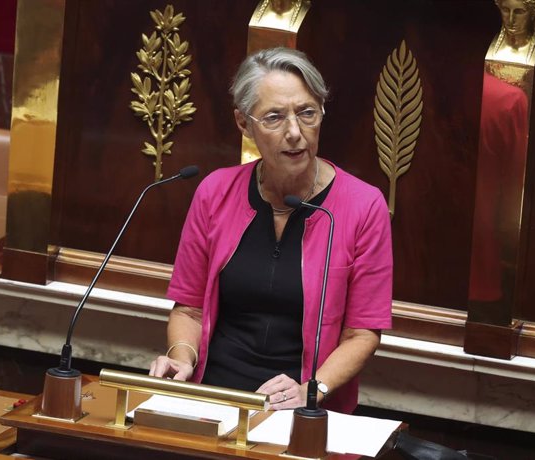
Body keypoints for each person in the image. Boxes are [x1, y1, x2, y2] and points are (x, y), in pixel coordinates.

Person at [149, 47, 392, 414]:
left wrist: (312, 390)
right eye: (274, 117)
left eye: (307, 113)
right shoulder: (215, 192)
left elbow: (362, 333)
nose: (295, 132)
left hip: (304, 407)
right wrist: (182, 358)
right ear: (244, 124)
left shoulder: (363, 205)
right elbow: (190, 310)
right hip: (216, 398)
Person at [489, 0, 535, 65]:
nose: (511, 19)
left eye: (519, 12)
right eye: (506, 10)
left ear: (533, 13)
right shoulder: (490, 45)